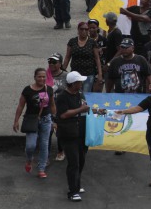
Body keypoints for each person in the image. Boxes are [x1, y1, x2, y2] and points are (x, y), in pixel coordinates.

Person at [12, 68, 55, 178]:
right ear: (35, 77)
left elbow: (52, 105)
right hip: (31, 120)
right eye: (39, 76)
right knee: (31, 145)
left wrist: (55, 120)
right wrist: (16, 121)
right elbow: (21, 106)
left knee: (44, 144)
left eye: (44, 76)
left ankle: (41, 168)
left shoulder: (49, 89)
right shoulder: (27, 90)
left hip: (46, 119)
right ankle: (29, 159)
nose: (42, 79)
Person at [55, 71, 91, 202]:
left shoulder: (80, 94)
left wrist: (96, 111)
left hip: (81, 133)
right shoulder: (62, 97)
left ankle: (77, 184)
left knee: (81, 161)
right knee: (73, 162)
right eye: (79, 82)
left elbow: (85, 108)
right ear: (73, 83)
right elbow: (63, 115)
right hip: (68, 134)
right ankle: (72, 192)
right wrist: (80, 110)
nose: (81, 84)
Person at [63, 21, 103, 93]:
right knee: (75, 93)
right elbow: (67, 57)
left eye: (86, 29)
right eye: (81, 29)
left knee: (85, 95)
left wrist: (100, 74)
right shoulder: (72, 41)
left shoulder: (92, 42)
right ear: (78, 30)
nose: (84, 31)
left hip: (88, 74)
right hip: (75, 74)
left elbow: (97, 58)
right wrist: (62, 71)